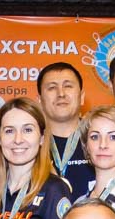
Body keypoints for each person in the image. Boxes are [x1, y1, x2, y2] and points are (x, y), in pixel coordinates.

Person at [38, 62, 93, 197]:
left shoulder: (100, 140)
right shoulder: (28, 144)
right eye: (52, 88)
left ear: (82, 97)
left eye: (68, 86)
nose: (61, 94)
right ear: (39, 100)